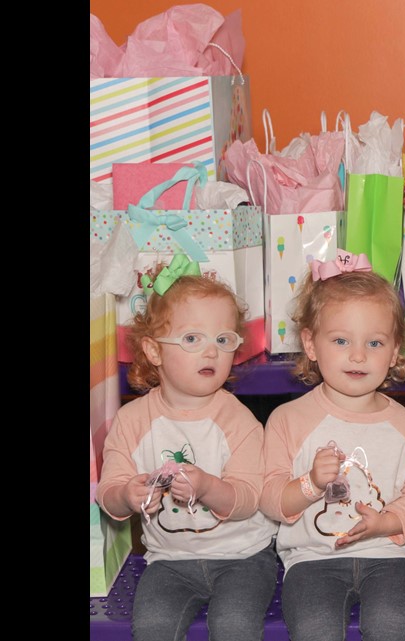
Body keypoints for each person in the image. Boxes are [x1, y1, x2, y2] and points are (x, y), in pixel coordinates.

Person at [95, 259, 278, 641]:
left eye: (223, 340)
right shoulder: (132, 421)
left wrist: (209, 487)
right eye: (192, 339)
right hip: (169, 561)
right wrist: (126, 494)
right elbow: (108, 494)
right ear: (154, 350)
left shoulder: (239, 420)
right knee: (152, 626)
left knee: (234, 625)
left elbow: (249, 498)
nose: (211, 352)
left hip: (244, 556)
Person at [259, 250, 405, 641]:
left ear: (395, 350)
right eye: (340, 340)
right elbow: (269, 499)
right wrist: (311, 484)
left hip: (390, 556)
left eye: (375, 342)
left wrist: (387, 522)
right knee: (315, 628)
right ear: (310, 344)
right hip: (311, 558)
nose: (358, 355)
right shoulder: (288, 419)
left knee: (393, 624)